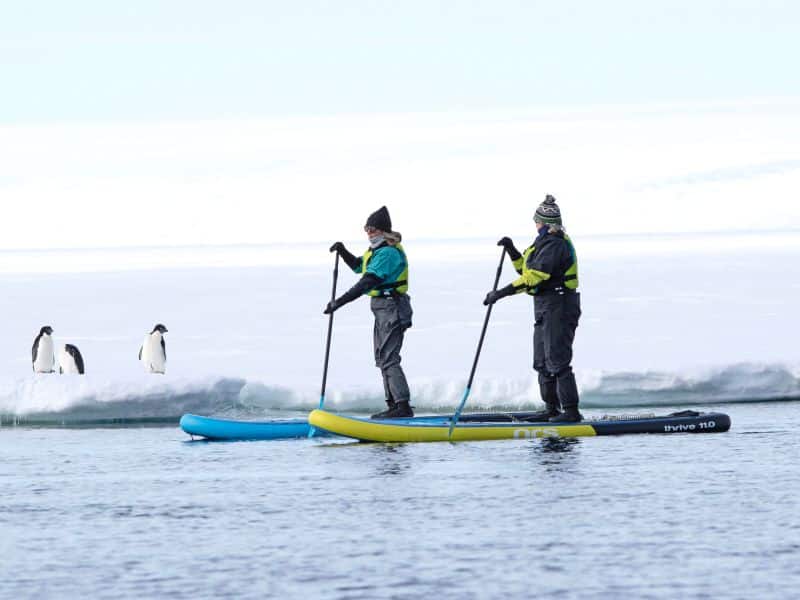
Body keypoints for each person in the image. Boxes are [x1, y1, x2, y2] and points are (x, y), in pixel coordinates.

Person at [483, 195, 582, 422]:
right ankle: (551, 409)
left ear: (545, 223)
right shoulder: (542, 244)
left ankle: (571, 411)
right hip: (544, 306)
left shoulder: (555, 245)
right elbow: (525, 271)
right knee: (541, 361)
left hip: (560, 305)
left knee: (557, 359)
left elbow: (535, 277)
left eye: (537, 221)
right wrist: (511, 250)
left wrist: (500, 293)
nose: (535, 224)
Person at [326, 206, 414, 418]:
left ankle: (402, 407)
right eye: (366, 229)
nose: (369, 233)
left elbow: (367, 281)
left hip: (392, 307)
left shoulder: (388, 253)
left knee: (389, 357)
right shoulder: (375, 251)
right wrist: (343, 251)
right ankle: (393, 406)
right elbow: (359, 267)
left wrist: (339, 302)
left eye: (373, 229)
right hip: (382, 309)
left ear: (383, 231)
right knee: (382, 357)